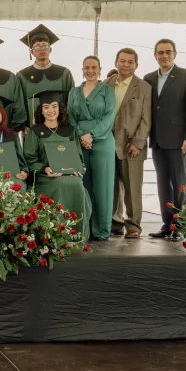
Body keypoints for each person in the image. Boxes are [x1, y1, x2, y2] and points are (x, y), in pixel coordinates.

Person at [143, 39, 186, 239]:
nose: (164, 55)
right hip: (158, 140)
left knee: (180, 184)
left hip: (180, 141)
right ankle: (167, 224)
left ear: (175, 54)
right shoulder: (148, 78)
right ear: (155, 56)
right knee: (163, 184)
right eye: (160, 52)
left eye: (168, 52)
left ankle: (181, 224)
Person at [24, 90, 91, 241]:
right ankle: (56, 235)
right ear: (41, 110)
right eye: (46, 107)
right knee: (60, 183)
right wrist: (44, 168)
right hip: (46, 178)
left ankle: (76, 236)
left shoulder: (69, 130)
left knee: (77, 185)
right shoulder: (35, 132)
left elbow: (78, 156)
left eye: (54, 106)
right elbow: (29, 159)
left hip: (69, 174)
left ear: (60, 108)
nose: (50, 110)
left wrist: (80, 167)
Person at [105, 48, 151, 239]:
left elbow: (147, 119)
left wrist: (138, 143)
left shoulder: (143, 87)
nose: (125, 65)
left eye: (130, 62)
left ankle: (133, 225)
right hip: (108, 144)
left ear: (136, 65)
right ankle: (115, 222)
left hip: (131, 145)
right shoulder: (105, 84)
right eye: (122, 61)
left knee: (132, 188)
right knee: (112, 187)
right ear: (116, 62)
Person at [68, 56, 116, 241]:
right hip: (79, 141)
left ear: (100, 69)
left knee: (103, 187)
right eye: (86, 67)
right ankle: (84, 228)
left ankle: (102, 230)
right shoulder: (74, 92)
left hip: (102, 140)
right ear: (82, 69)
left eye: (93, 67)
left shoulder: (107, 90)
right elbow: (70, 115)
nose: (90, 70)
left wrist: (92, 135)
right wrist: (81, 135)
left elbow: (110, 115)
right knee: (83, 185)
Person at [18, 25, 75, 127]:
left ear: (50, 49)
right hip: (32, 128)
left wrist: (67, 124)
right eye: (37, 46)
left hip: (61, 127)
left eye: (45, 45)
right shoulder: (22, 76)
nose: (42, 49)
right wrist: (24, 126)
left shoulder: (64, 73)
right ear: (32, 51)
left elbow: (71, 102)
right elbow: (20, 105)